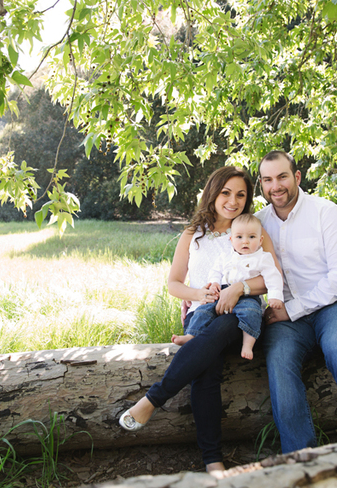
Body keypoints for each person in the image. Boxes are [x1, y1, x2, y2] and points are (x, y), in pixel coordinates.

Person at [117, 166, 278, 473]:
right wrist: (200, 294)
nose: (233, 201)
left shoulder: (251, 231)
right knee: (207, 368)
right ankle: (213, 462)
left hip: (241, 317)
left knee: (224, 326)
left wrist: (237, 289)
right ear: (212, 193)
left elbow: (273, 278)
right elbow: (174, 283)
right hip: (201, 314)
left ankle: (150, 401)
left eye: (241, 194)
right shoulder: (194, 235)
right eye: (226, 193)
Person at [255, 150, 337, 454]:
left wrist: (293, 309)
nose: (276, 186)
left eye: (282, 177)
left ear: (297, 177)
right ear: (261, 184)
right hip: (288, 319)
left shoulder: (325, 212)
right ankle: (302, 459)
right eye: (267, 179)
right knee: (278, 360)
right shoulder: (258, 223)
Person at [171, 213, 284, 360]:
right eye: (239, 237)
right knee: (204, 310)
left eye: (251, 237)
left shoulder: (263, 258)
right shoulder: (227, 255)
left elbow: (273, 277)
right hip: (222, 293)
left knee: (251, 313)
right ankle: (191, 334)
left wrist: (275, 297)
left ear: (260, 240)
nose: (245, 242)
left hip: (248, 297)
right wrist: (214, 283)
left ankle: (248, 344)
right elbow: (216, 270)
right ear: (231, 240)